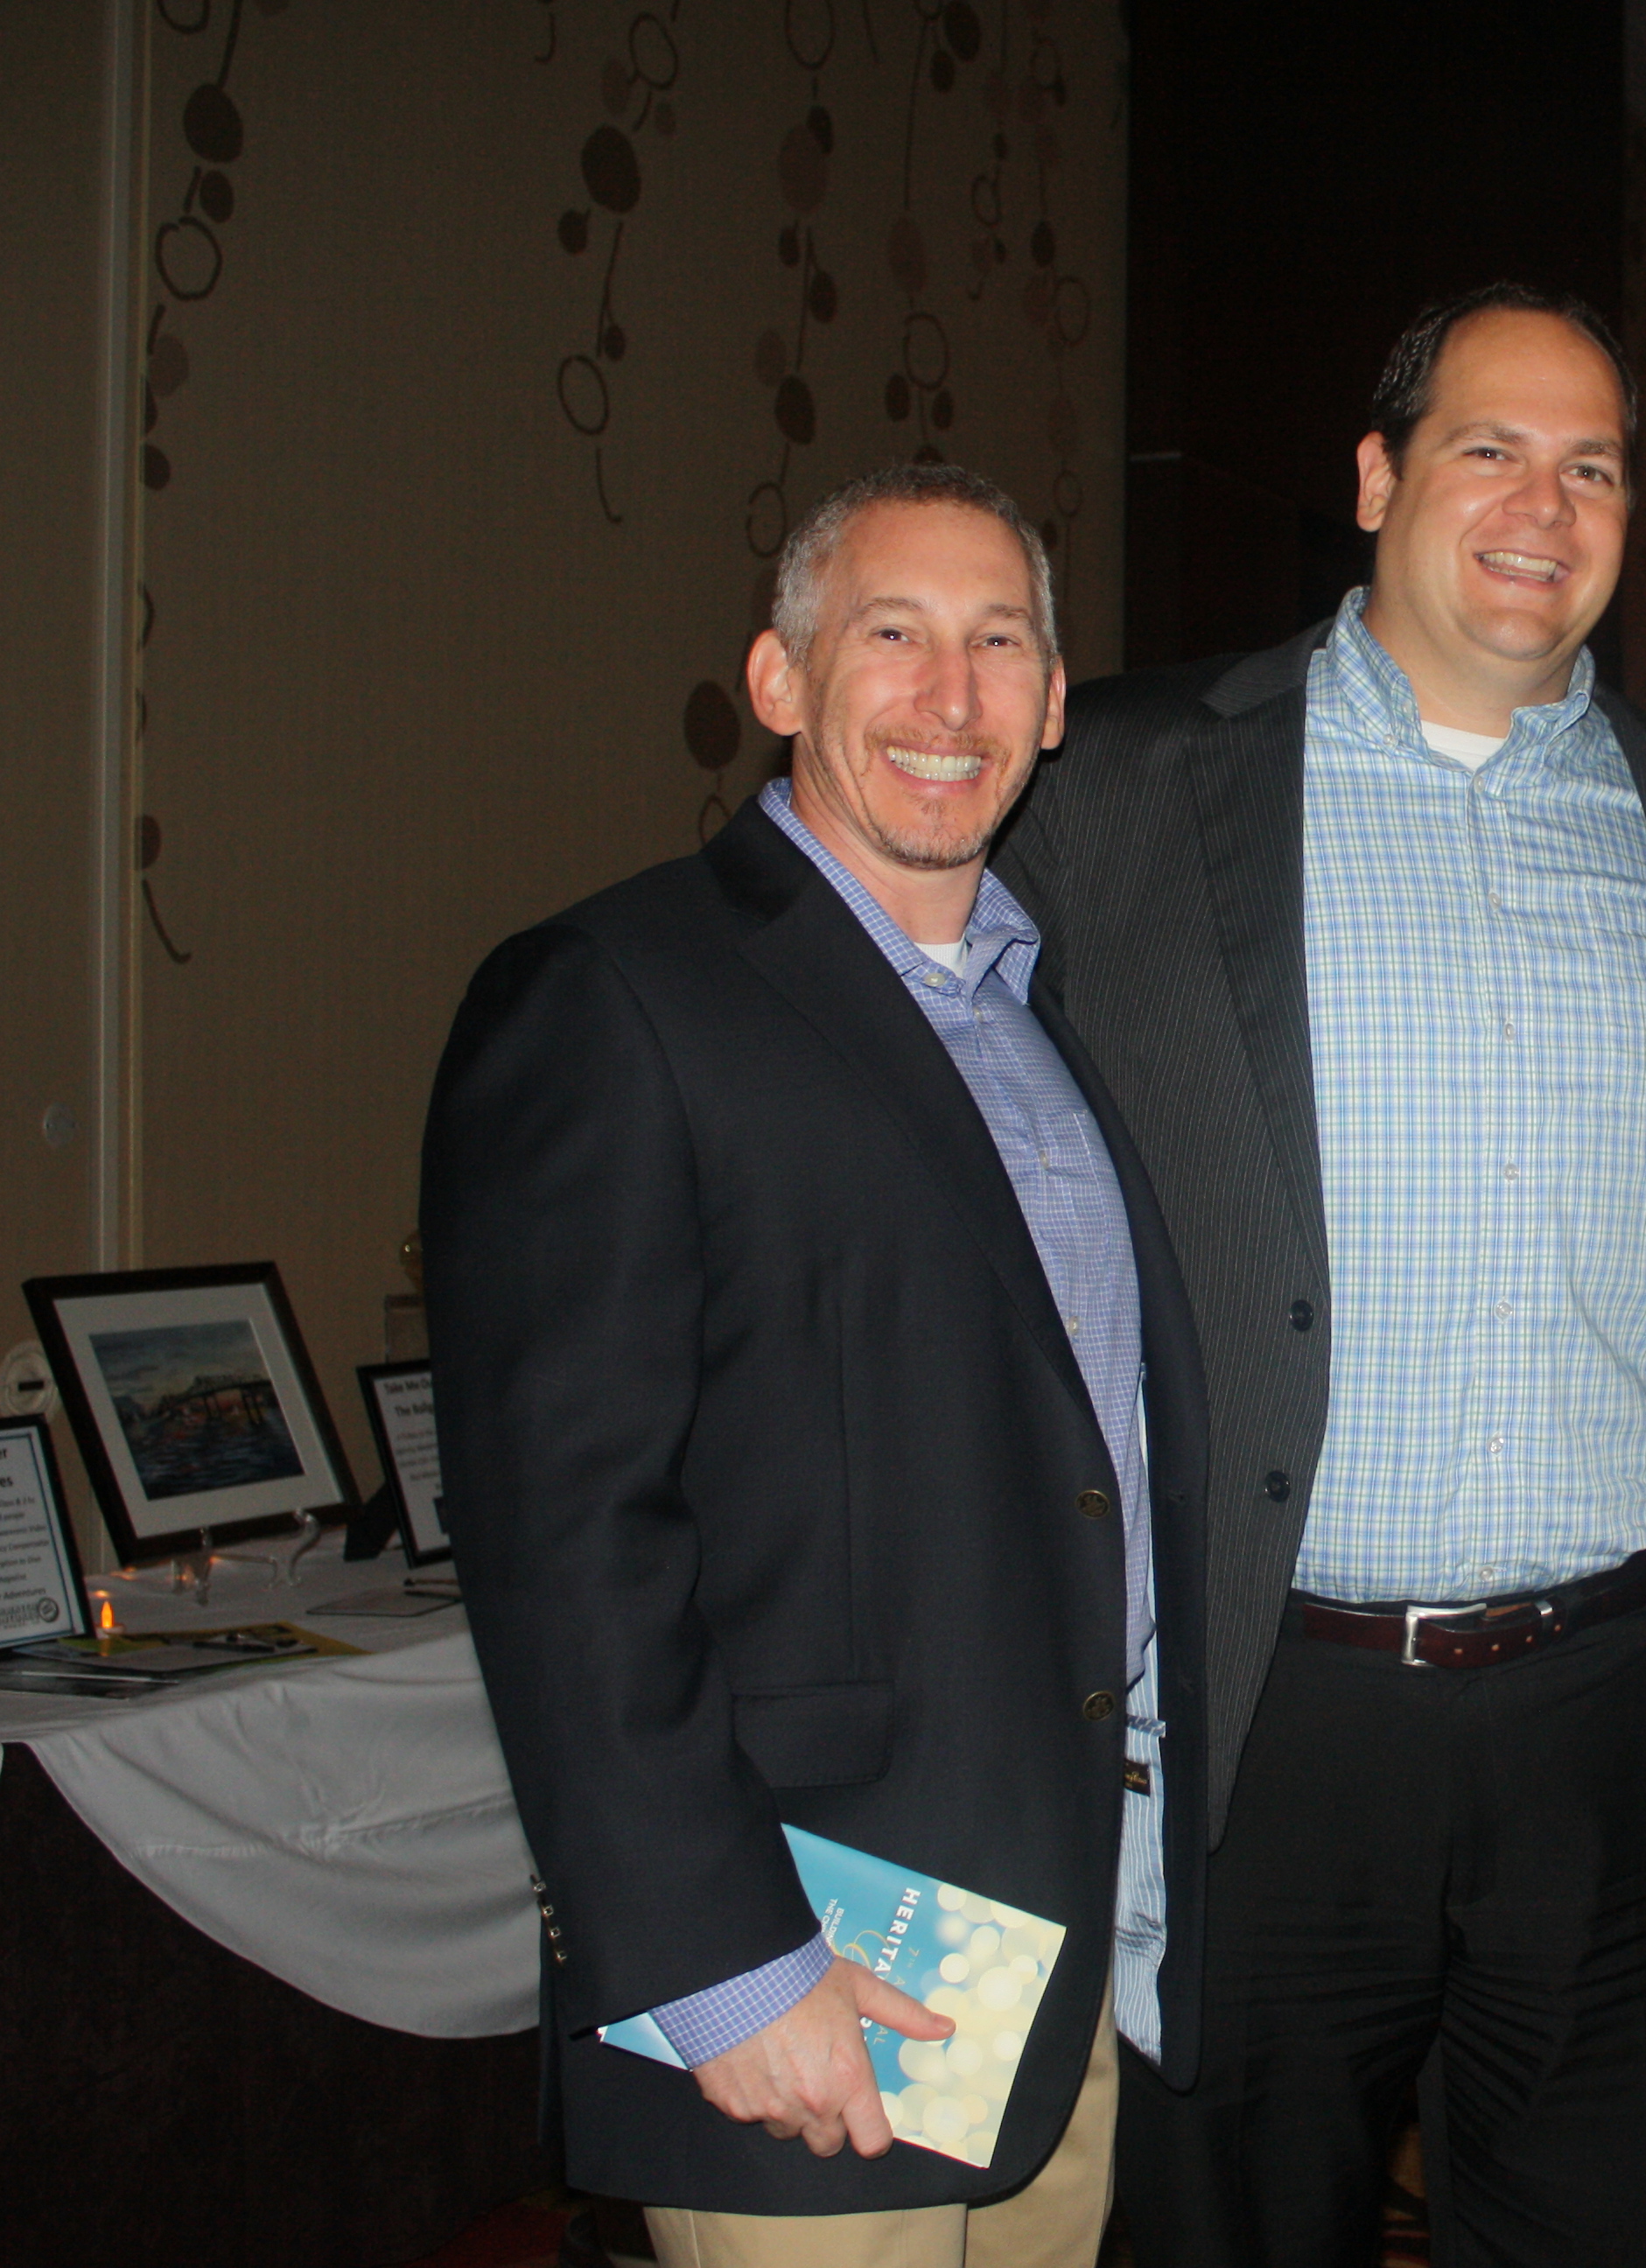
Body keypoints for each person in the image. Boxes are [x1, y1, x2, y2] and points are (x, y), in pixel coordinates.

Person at [995, 284, 1646, 2266]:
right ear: (1373, 478)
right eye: (1487, 449)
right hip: (1266, 1717)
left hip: (1613, 1727)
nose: (1542, 505)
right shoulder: (1118, 784)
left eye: (1592, 467)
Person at [422, 463, 1208, 2266]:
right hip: (805, 1978)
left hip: (1049, 1953)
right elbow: (565, 1541)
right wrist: (723, 1967)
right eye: (893, 635)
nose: (951, 696)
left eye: (999, 644)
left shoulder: (1045, 1025)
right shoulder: (615, 993)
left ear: (1055, 703)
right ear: (779, 678)